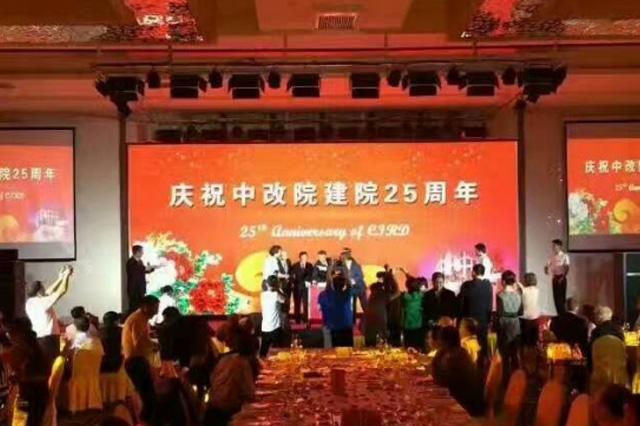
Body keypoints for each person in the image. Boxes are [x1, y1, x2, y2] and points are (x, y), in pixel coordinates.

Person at [2, 318, 49, 426]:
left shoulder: (21, 349)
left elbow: (17, 373)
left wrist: (13, 378)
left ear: (18, 334)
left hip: (28, 395)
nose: (8, 335)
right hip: (41, 394)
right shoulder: (35, 345)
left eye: (9, 332)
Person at [25, 266, 73, 368]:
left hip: (40, 338)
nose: (45, 288)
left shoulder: (30, 302)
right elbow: (62, 290)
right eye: (42, 287)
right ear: (39, 292)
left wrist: (59, 278)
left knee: (47, 367)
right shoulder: (43, 302)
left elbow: (47, 293)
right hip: (49, 339)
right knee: (53, 367)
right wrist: (66, 276)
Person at [122, 295, 160, 425]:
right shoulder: (137, 319)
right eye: (155, 308)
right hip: (136, 362)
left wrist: (153, 344)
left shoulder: (141, 318)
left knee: (148, 397)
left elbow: (142, 340)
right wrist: (153, 346)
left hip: (138, 360)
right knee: (149, 398)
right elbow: (139, 343)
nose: (156, 311)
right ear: (145, 307)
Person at [432, 327, 485, 417]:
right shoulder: (462, 352)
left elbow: (439, 381)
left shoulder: (451, 357)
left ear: (444, 341)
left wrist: (438, 354)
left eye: (440, 339)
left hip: (466, 407)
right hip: (473, 403)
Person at [205, 333, 256, 426]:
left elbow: (212, 381)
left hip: (211, 410)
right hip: (226, 414)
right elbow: (249, 394)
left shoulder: (224, 359)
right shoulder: (242, 363)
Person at [458, 264, 493, 367]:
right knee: (482, 348)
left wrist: (460, 319)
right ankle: (483, 369)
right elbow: (489, 305)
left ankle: (470, 368)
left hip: (469, 322)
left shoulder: (466, 285)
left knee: (469, 347)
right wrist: (488, 320)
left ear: (473, 272)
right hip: (483, 321)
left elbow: (461, 304)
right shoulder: (488, 285)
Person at [497, 270, 523, 378]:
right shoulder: (519, 295)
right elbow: (521, 312)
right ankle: (518, 378)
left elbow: (499, 312)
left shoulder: (500, 295)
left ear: (503, 281)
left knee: (505, 356)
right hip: (515, 324)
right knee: (515, 354)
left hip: (504, 325)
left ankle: (506, 379)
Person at [318, 276, 354, 347]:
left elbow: (319, 307)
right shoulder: (347, 294)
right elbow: (350, 286)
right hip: (346, 329)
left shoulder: (323, 296)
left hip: (330, 328)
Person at [260, 276, 285, 358]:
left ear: (267, 284)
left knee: (263, 352)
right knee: (279, 352)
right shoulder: (276, 295)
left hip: (265, 327)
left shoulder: (263, 295)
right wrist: (279, 288)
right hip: (275, 327)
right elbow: (284, 300)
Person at [126, 245, 155, 313]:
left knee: (140, 307)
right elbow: (136, 271)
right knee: (134, 308)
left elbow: (142, 272)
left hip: (141, 289)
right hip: (134, 289)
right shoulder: (131, 261)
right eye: (142, 251)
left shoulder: (140, 261)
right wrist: (146, 268)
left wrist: (151, 269)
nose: (143, 253)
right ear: (137, 252)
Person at [545, 239, 570, 316]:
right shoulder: (552, 256)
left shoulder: (564, 256)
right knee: (556, 298)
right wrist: (546, 269)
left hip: (562, 278)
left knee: (562, 298)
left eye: (554, 245)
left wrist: (563, 277)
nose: (553, 247)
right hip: (555, 278)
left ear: (559, 246)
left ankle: (564, 315)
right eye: (553, 246)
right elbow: (547, 265)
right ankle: (559, 315)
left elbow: (567, 268)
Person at [363, 272, 389, 347]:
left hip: (371, 323)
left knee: (370, 341)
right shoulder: (384, 294)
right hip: (380, 320)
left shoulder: (372, 296)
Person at [290, 251, 314, 324]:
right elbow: (292, 276)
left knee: (306, 304)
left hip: (306, 288)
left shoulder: (310, 265)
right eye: (303, 257)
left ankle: (305, 319)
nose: (305, 259)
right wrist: (293, 283)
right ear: (300, 258)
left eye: (306, 257)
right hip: (297, 288)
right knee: (297, 304)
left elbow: (312, 275)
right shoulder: (295, 265)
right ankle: (297, 319)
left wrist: (309, 281)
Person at [402, 278, 424, 351]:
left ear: (407, 286)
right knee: (416, 346)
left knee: (408, 346)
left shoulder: (404, 296)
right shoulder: (421, 296)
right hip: (418, 323)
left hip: (407, 324)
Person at [519, 272, 540, 348]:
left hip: (525, 318)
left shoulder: (524, 290)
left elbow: (519, 285)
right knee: (533, 340)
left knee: (524, 340)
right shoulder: (536, 290)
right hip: (535, 317)